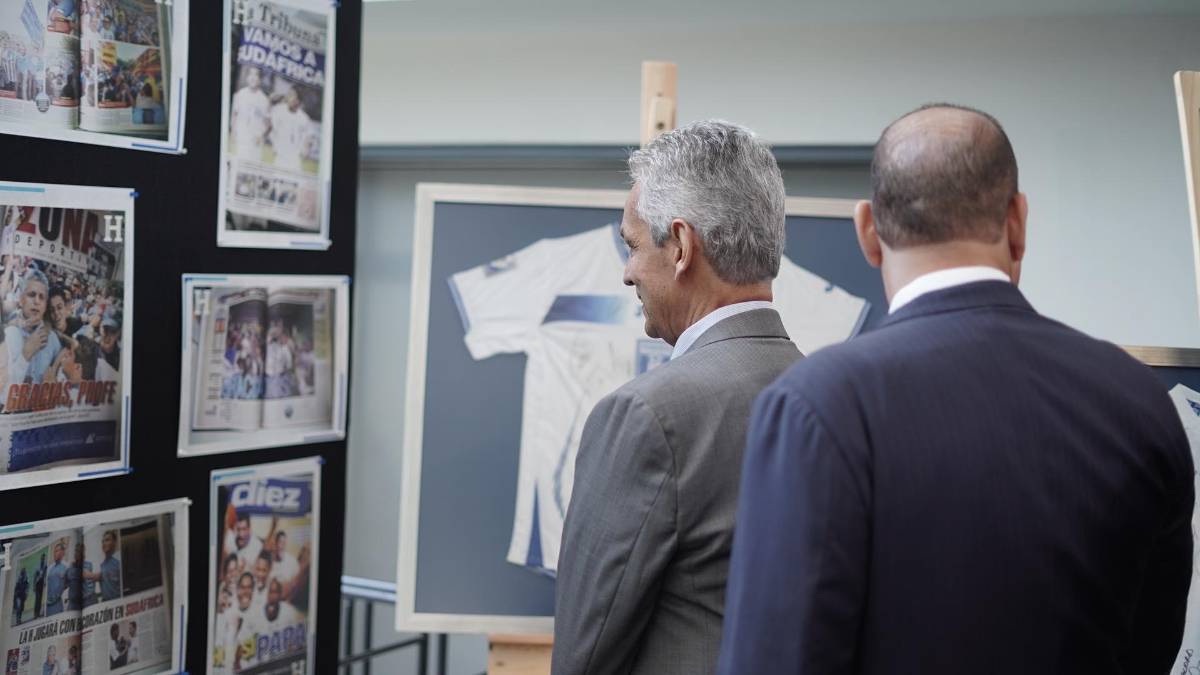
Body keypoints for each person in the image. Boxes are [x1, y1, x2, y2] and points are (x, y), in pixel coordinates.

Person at [718, 104, 1196, 674]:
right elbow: (1152, 647)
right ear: (1018, 224)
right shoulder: (1138, 403)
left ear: (867, 232)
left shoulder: (816, 407)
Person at [551, 121, 802, 675]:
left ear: (682, 246)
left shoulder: (648, 416)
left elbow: (586, 652)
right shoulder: (831, 398)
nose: (627, 273)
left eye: (633, 245)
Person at [6, 269, 63, 385]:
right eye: (32, 295)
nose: (37, 301)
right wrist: (26, 353)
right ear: (21, 300)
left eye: (42, 297)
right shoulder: (7, 334)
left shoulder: (53, 340)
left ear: (45, 306)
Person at [268, 87, 312, 172]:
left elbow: (308, 137)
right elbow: (269, 124)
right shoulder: (279, 110)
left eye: (292, 95)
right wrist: (270, 101)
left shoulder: (304, 118)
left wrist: (306, 149)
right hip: (280, 157)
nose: (288, 97)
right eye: (288, 95)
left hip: (295, 160)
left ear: (298, 101)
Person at [231, 67, 270, 160]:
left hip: (255, 141)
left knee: (252, 170)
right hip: (241, 137)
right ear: (247, 77)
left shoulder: (264, 99)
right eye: (251, 74)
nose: (253, 77)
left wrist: (261, 135)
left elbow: (268, 124)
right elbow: (235, 114)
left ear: (260, 79)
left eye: (256, 75)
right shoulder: (241, 94)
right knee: (238, 166)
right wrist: (233, 131)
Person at [44, 542, 67, 616]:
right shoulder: (50, 568)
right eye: (54, 551)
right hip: (48, 604)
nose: (55, 553)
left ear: (62, 552)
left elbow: (67, 584)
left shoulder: (65, 567)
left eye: (57, 551)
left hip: (57, 603)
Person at [33, 553, 46, 618]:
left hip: (41, 585)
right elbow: (35, 577)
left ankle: (38, 613)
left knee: (40, 600)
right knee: (37, 599)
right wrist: (34, 587)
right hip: (37, 585)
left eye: (44, 558)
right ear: (41, 558)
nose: (43, 559)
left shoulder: (45, 566)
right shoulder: (37, 566)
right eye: (42, 558)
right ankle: (35, 614)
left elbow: (45, 575)